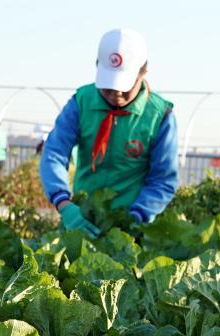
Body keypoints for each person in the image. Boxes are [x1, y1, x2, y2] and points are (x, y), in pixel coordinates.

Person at [39, 28, 179, 238]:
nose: (116, 94)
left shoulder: (159, 116)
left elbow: (163, 180)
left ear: (143, 72)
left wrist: (135, 218)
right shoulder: (81, 102)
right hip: (80, 220)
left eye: (125, 86)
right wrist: (64, 204)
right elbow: (54, 153)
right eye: (109, 87)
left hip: (132, 226)